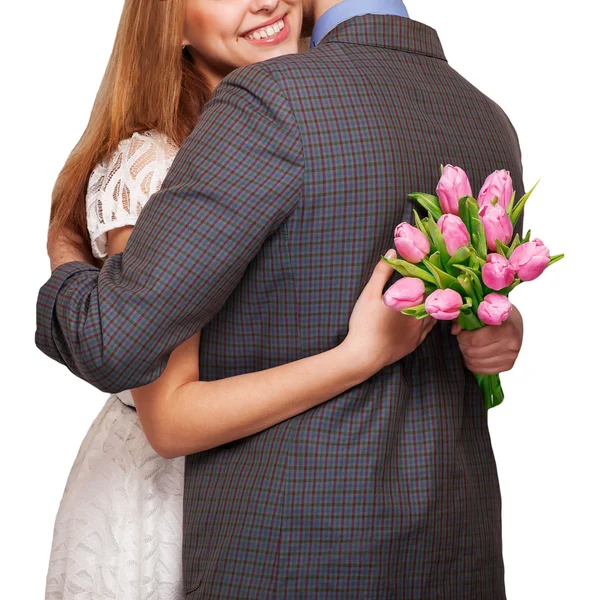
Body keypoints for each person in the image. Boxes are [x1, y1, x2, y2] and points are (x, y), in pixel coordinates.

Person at [37, 0, 525, 597]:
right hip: (177, 504)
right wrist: (63, 242)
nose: (264, 1)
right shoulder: (157, 162)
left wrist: (487, 321)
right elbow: (166, 416)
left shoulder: (321, 113)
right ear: (167, 22)